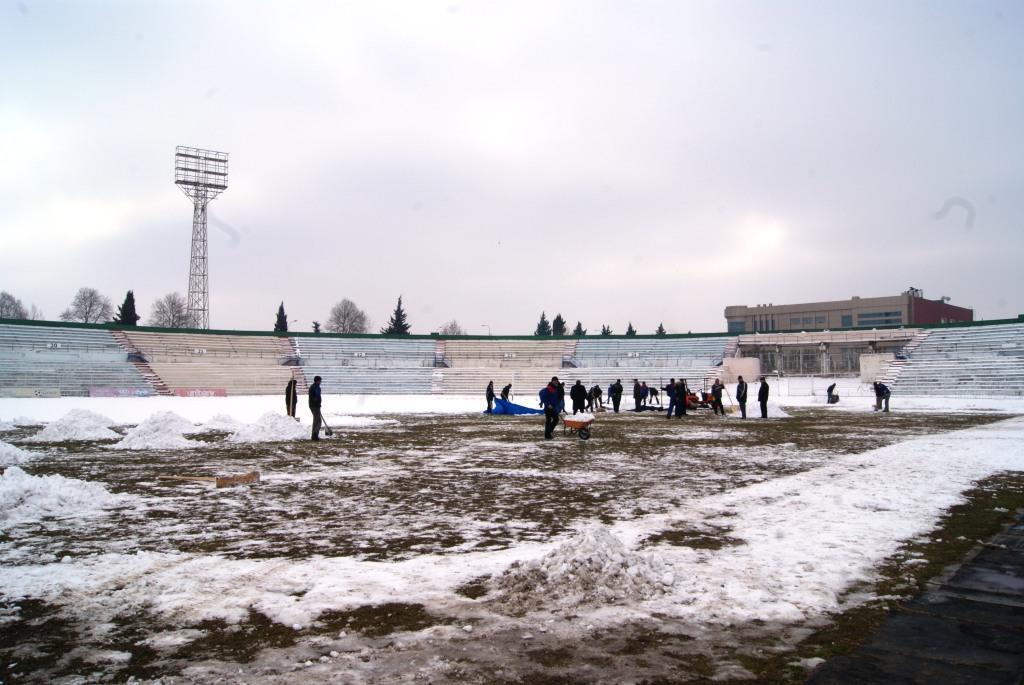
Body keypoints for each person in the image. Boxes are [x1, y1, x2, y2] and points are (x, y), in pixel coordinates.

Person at [309, 375, 323, 440]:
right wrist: (318, 403)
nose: (320, 382)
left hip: (312, 405)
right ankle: (315, 434)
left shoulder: (312, 386)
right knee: (318, 421)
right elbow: (317, 396)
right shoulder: (316, 387)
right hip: (315, 405)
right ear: (318, 381)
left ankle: (313, 434)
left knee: (315, 420)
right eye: (320, 381)